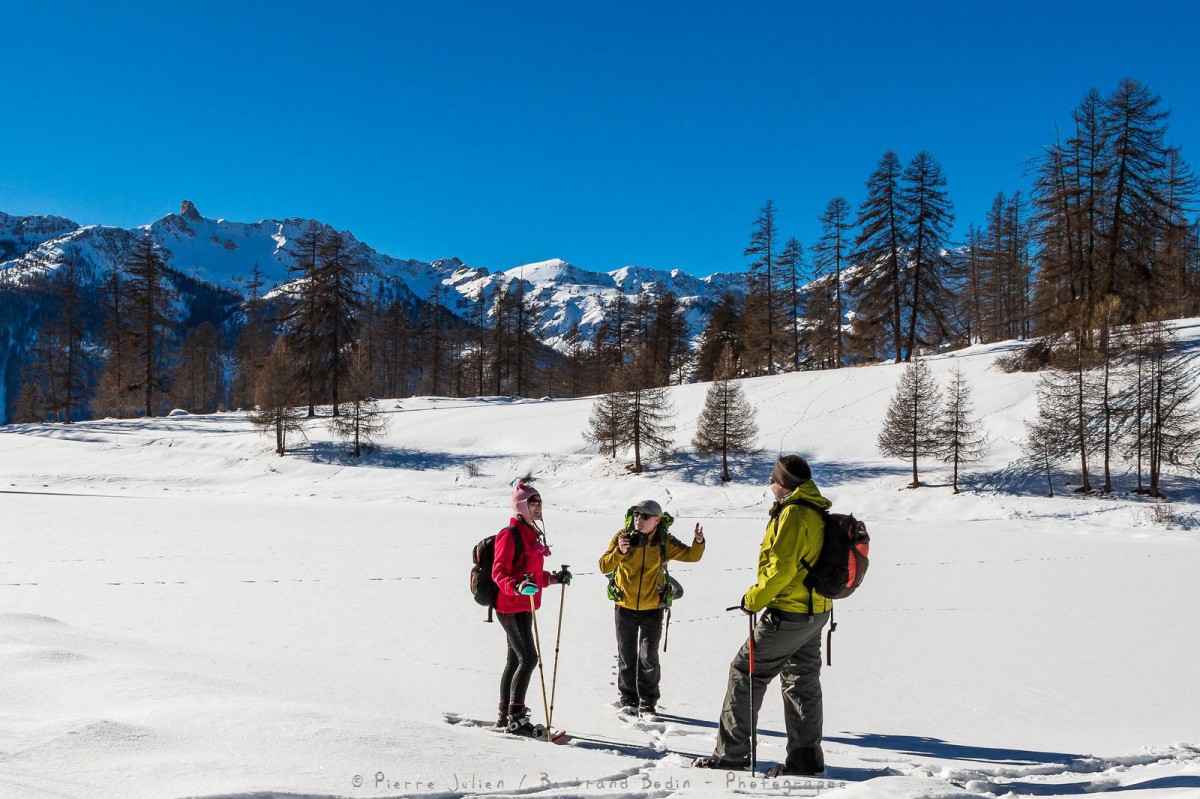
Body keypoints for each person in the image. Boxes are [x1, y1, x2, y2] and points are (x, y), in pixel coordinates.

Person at [693, 455, 831, 777]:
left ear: (783, 484)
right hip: (816, 611)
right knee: (802, 681)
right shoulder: (815, 508)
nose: (770, 485)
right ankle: (805, 760)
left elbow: (781, 569)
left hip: (790, 612)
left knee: (745, 672)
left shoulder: (794, 512)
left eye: (773, 480)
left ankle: (731, 755)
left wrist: (754, 599)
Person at [598, 498, 704, 719]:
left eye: (645, 516)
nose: (639, 519)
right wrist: (619, 552)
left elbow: (692, 556)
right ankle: (628, 699)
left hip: (653, 608)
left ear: (656, 520)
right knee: (626, 655)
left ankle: (648, 702)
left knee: (649, 657)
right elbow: (603, 565)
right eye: (637, 514)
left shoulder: (663, 541)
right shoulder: (622, 536)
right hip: (624, 606)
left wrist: (698, 541)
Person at [492, 481, 571, 737]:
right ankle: (516, 718)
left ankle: (504, 715)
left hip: (525, 606)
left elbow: (533, 575)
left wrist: (553, 578)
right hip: (510, 607)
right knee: (528, 659)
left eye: (539, 502)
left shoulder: (531, 534)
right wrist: (516, 587)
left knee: (515, 660)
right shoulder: (510, 534)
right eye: (532, 502)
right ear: (520, 506)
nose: (538, 507)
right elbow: (498, 572)